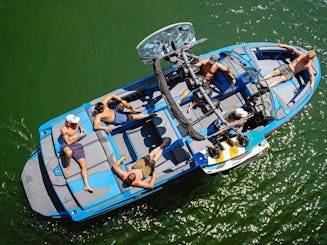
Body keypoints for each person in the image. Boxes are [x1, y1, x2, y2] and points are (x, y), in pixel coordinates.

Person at [60, 114, 94, 193]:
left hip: (76, 144)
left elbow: (78, 123)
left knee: (83, 165)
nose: (76, 123)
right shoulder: (64, 129)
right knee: (69, 153)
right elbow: (68, 142)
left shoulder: (76, 123)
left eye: (76, 122)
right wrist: (80, 136)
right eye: (74, 122)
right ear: (69, 123)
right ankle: (68, 165)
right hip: (67, 145)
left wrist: (81, 127)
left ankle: (86, 185)